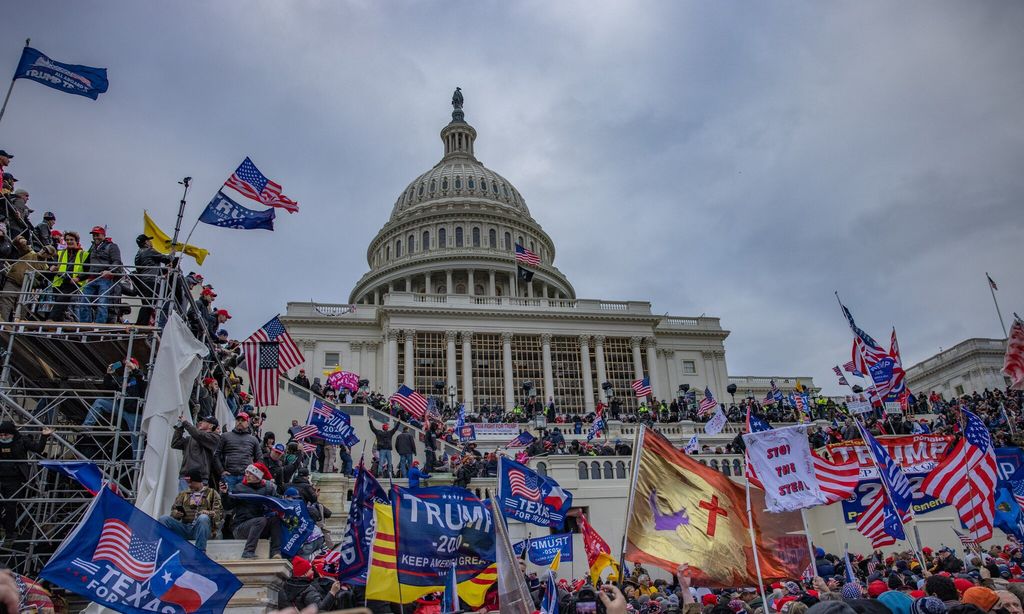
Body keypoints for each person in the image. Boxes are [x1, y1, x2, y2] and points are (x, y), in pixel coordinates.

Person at [0, 422, 52, 544]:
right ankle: (4, 527)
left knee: (10, 507)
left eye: (5, 434)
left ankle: (9, 533)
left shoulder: (22, 441)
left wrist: (44, 436)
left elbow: (38, 449)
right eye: (1, 435)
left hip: (14, 479)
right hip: (1, 477)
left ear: (12, 434)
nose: (3, 437)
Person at [83, 359, 148, 457]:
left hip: (135, 413)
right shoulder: (122, 379)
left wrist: (134, 369)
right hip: (121, 407)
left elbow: (142, 381)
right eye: (126, 365)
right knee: (99, 402)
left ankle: (137, 465)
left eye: (130, 364)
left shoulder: (140, 378)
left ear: (136, 366)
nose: (127, 366)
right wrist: (108, 375)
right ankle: (87, 427)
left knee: (137, 440)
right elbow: (108, 388)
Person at [220, 464, 281, 559]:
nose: (246, 475)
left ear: (258, 476)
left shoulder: (268, 489)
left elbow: (278, 501)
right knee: (260, 520)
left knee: (275, 519)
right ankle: (248, 552)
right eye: (246, 472)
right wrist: (224, 494)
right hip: (240, 527)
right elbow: (227, 506)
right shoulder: (239, 488)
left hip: (259, 527)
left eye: (250, 473)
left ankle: (275, 552)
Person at [159, 470, 223, 552]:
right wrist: (176, 514)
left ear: (198, 481)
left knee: (203, 518)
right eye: (187, 483)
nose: (189, 485)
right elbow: (173, 511)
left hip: (203, 529)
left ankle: (200, 552)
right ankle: (164, 550)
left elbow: (219, 514)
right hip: (185, 527)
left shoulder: (212, 493)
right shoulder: (183, 494)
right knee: (163, 519)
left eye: (191, 482)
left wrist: (208, 513)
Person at [77, 225, 122, 323]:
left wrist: (110, 271)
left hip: (105, 278)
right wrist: (79, 278)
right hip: (92, 278)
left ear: (103, 235)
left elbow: (117, 261)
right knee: (84, 302)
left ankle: (99, 324)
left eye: (97, 235)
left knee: (102, 303)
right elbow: (87, 265)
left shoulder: (112, 246)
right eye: (93, 235)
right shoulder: (93, 247)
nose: (95, 237)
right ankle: (84, 324)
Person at [171, 415, 222, 491]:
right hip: (185, 476)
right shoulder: (191, 438)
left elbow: (198, 435)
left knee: (198, 502)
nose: (200, 422)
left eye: (204, 421)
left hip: (200, 477)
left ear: (211, 426)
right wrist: (179, 428)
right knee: (183, 502)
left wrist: (185, 422)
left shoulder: (214, 438)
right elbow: (175, 443)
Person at [133, 233, 173, 326]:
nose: (151, 242)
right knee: (149, 304)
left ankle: (142, 324)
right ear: (146, 242)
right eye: (148, 240)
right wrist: (173, 252)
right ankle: (140, 325)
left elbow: (147, 267)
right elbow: (167, 258)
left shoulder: (138, 254)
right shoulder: (149, 251)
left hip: (143, 280)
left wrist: (165, 269)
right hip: (150, 280)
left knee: (147, 304)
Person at [46, 230, 87, 322]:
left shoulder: (84, 254)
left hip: (73, 282)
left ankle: (50, 319)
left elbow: (88, 271)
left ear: (77, 241)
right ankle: (60, 324)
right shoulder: (60, 252)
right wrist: (52, 267)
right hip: (59, 281)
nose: (69, 241)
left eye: (71, 239)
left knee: (62, 299)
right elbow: (53, 262)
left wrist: (78, 278)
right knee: (61, 305)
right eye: (67, 240)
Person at [278, 556, 344, 611]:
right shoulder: (307, 589)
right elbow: (320, 609)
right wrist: (332, 592)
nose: (313, 571)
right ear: (305, 573)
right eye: (311, 569)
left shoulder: (284, 587)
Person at [216, 412, 263, 490]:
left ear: (248, 423)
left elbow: (260, 458)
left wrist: (254, 474)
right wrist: (221, 471)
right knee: (227, 500)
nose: (240, 422)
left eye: (243, 420)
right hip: (229, 476)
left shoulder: (253, 439)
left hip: (246, 477)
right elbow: (216, 455)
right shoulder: (225, 436)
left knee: (244, 501)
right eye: (238, 420)